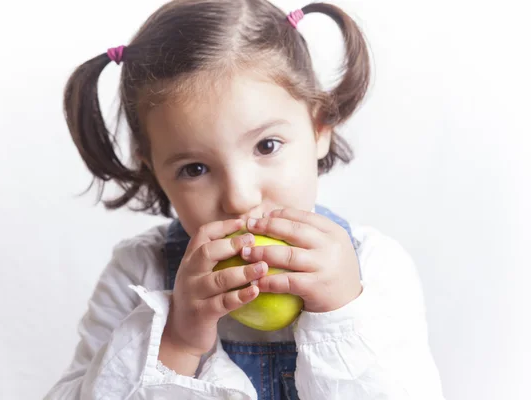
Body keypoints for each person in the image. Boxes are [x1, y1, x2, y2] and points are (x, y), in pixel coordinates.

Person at [44, 1, 445, 399]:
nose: (239, 198)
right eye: (195, 169)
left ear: (319, 127)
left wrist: (342, 315)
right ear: (155, 173)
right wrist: (178, 343)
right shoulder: (138, 276)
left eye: (266, 146)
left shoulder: (374, 268)